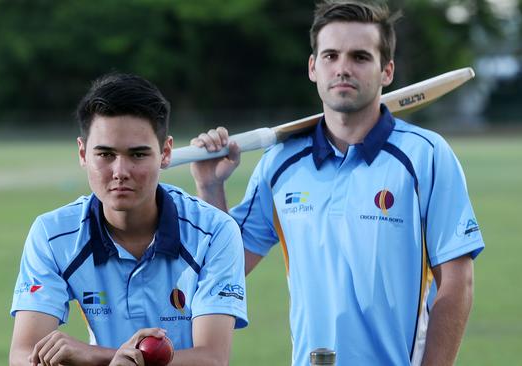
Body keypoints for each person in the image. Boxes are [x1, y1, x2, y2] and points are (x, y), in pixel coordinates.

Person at [190, 1, 484, 365]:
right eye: (331, 56)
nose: (343, 68)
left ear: (386, 70)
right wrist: (210, 188)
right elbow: (227, 268)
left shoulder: (426, 157)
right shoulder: (279, 164)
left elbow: (457, 283)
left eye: (360, 57)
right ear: (313, 67)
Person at [9, 73, 247, 366]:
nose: (120, 171)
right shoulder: (52, 234)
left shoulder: (215, 231)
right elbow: (23, 355)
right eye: (105, 154)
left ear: (166, 152)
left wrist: (96, 356)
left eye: (137, 154)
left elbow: (212, 359)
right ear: (83, 153)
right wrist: (116, 360)